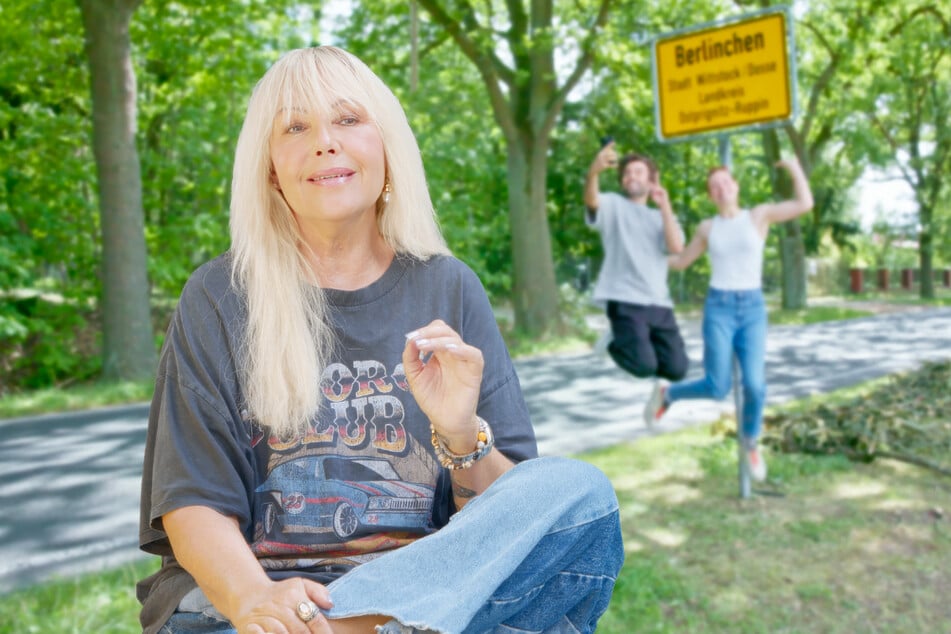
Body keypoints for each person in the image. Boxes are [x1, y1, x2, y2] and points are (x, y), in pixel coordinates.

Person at [137, 46, 623, 634]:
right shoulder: (218, 297)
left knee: (580, 493)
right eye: (296, 126)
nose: (325, 142)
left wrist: (459, 432)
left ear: (387, 149)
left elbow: (510, 526)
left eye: (347, 119)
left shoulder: (450, 287)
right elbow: (193, 502)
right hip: (248, 602)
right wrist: (253, 601)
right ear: (269, 167)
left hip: (418, 600)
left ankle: (353, 629)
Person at [645, 157, 814, 481]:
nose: (721, 188)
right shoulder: (708, 228)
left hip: (752, 309)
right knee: (717, 385)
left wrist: (794, 166)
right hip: (719, 308)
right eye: (714, 186)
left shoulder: (759, 215)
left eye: (726, 182)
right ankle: (668, 394)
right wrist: (645, 256)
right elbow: (680, 261)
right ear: (711, 195)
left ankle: (749, 443)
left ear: (735, 186)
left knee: (755, 385)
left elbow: (804, 203)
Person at [584, 142, 689, 424]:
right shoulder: (614, 205)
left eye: (639, 172)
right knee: (644, 366)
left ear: (651, 179)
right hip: (625, 298)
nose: (632, 177)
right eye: (627, 173)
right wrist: (593, 173)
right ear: (622, 181)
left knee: (677, 369)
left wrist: (664, 204)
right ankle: (613, 342)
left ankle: (658, 393)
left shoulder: (660, 216)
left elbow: (676, 246)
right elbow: (593, 201)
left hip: (658, 301)